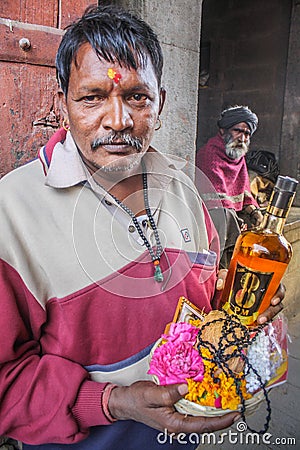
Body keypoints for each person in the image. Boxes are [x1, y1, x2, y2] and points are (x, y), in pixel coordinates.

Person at [0, 6, 284, 450]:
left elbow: (202, 302)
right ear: (61, 105)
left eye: (137, 97)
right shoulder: (10, 214)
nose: (118, 120)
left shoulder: (186, 186)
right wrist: (113, 402)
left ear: (161, 104)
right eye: (92, 97)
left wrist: (242, 302)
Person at [196, 105, 264, 268]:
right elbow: (217, 200)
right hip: (210, 213)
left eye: (247, 133)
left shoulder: (238, 157)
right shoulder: (209, 154)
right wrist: (237, 221)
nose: (242, 138)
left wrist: (253, 211)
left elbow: (243, 191)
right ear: (223, 131)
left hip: (229, 212)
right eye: (238, 131)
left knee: (257, 222)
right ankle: (219, 268)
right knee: (223, 216)